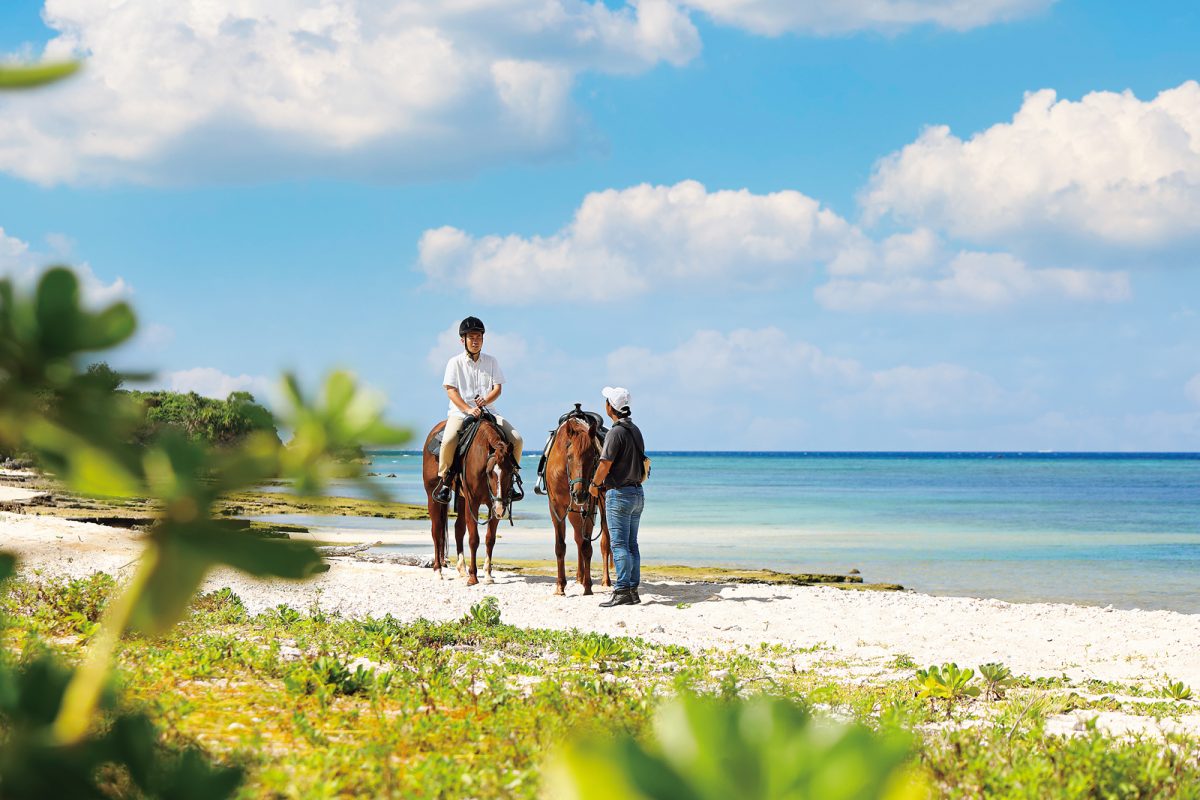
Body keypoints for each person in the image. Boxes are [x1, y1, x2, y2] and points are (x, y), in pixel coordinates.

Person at [432, 316, 524, 505]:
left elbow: (498, 388)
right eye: (471, 337)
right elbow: (451, 390)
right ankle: (445, 481)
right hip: (460, 413)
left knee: (517, 439)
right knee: (448, 440)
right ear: (462, 340)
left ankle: (511, 478)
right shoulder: (454, 363)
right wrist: (467, 409)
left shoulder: (492, 361)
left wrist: (485, 401)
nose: (475, 341)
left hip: (489, 411)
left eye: (478, 337)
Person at [589, 386, 646, 607]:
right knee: (632, 544)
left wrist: (594, 485)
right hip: (637, 492)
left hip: (619, 493)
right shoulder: (635, 430)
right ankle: (632, 590)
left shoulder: (615, 432)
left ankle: (622, 590)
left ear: (610, 407)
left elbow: (605, 464)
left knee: (619, 544)